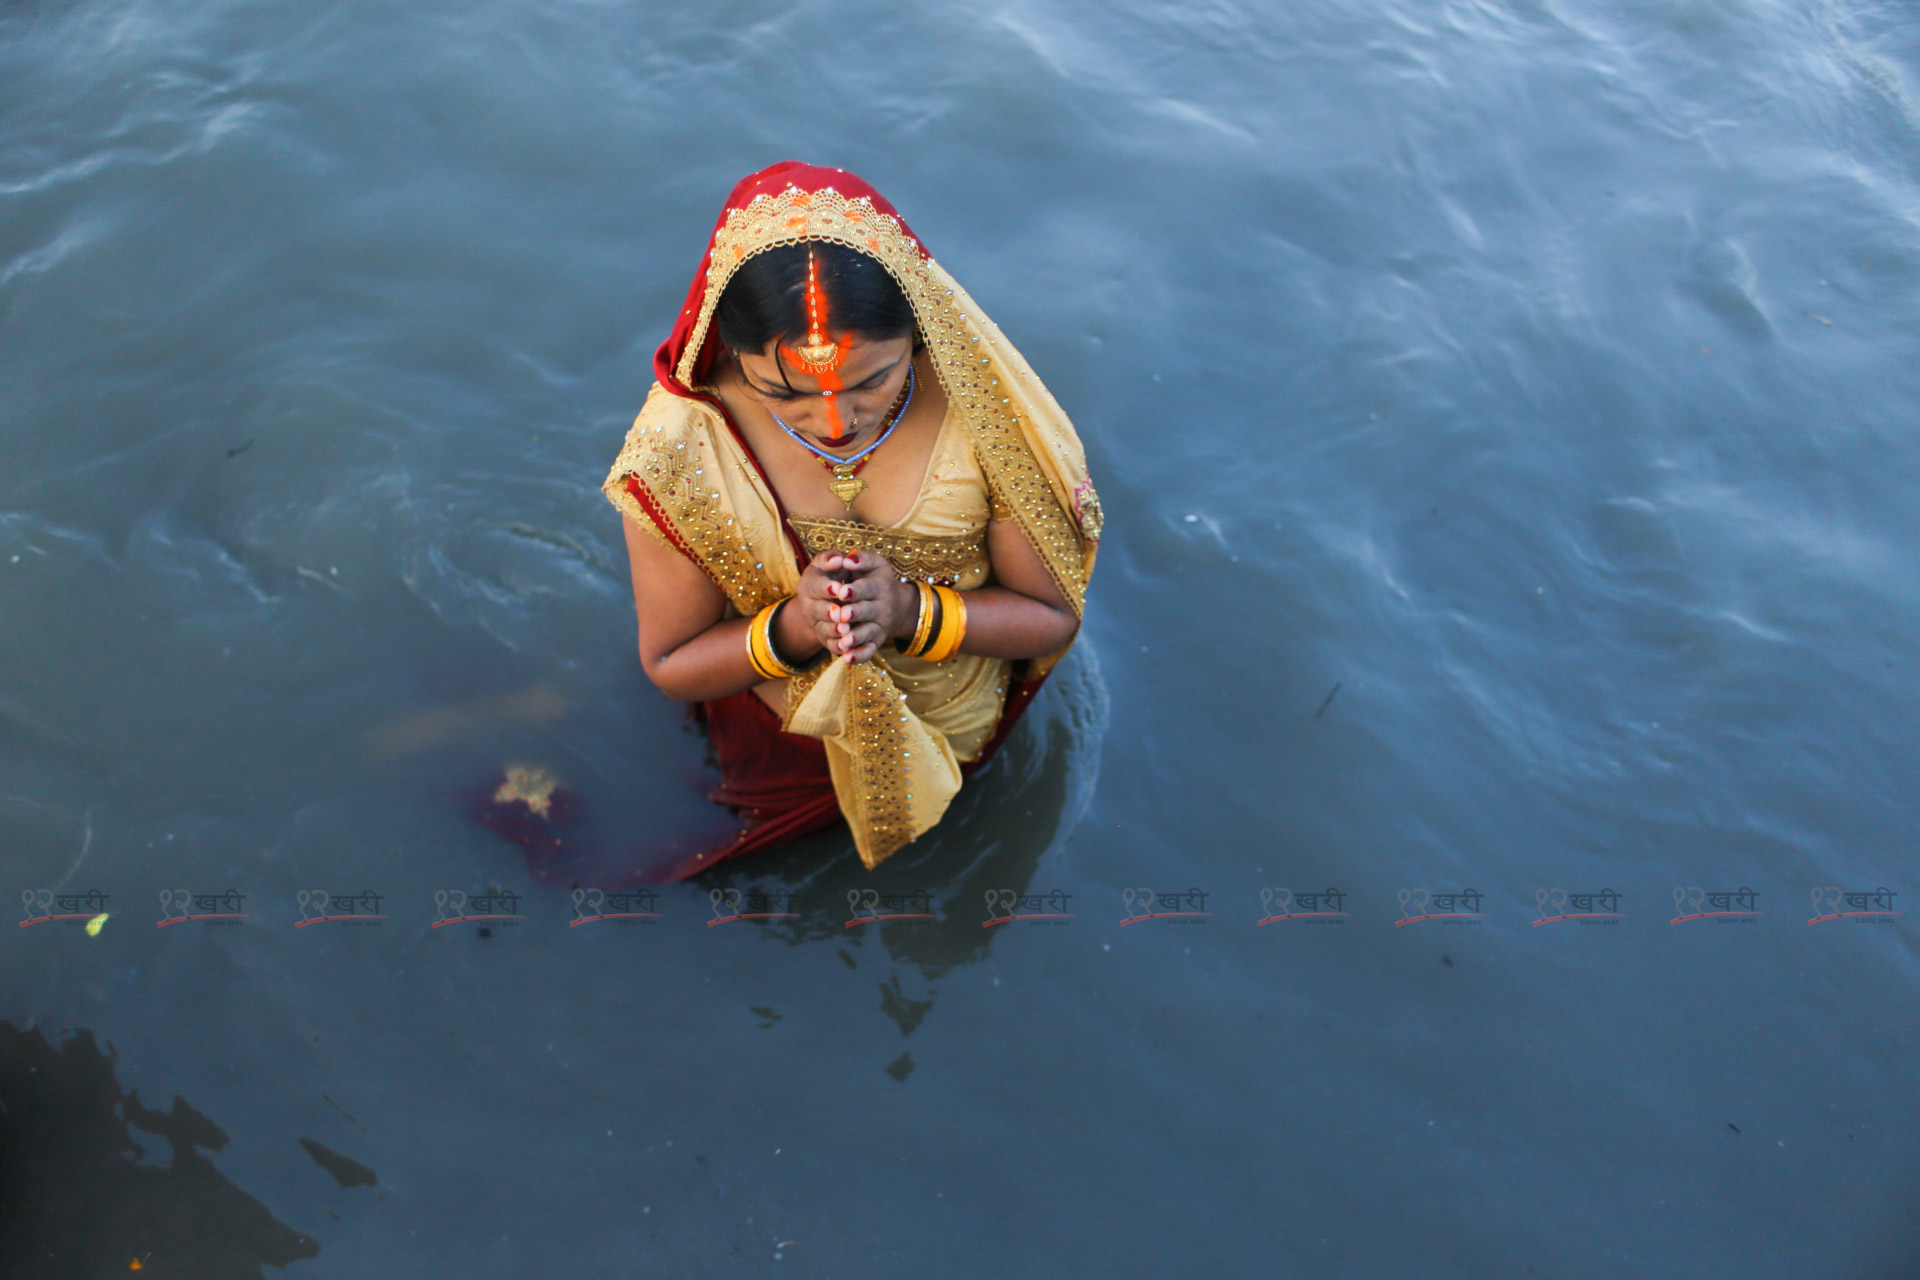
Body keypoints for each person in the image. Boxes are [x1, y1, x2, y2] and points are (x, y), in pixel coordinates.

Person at [603, 161, 1102, 880]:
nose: (835, 421)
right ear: (726, 348)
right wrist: (797, 629)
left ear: (921, 332)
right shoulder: (682, 448)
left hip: (949, 728)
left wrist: (907, 611)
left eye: (873, 379)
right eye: (782, 391)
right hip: (786, 737)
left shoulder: (985, 416)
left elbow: (1051, 615)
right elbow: (672, 661)